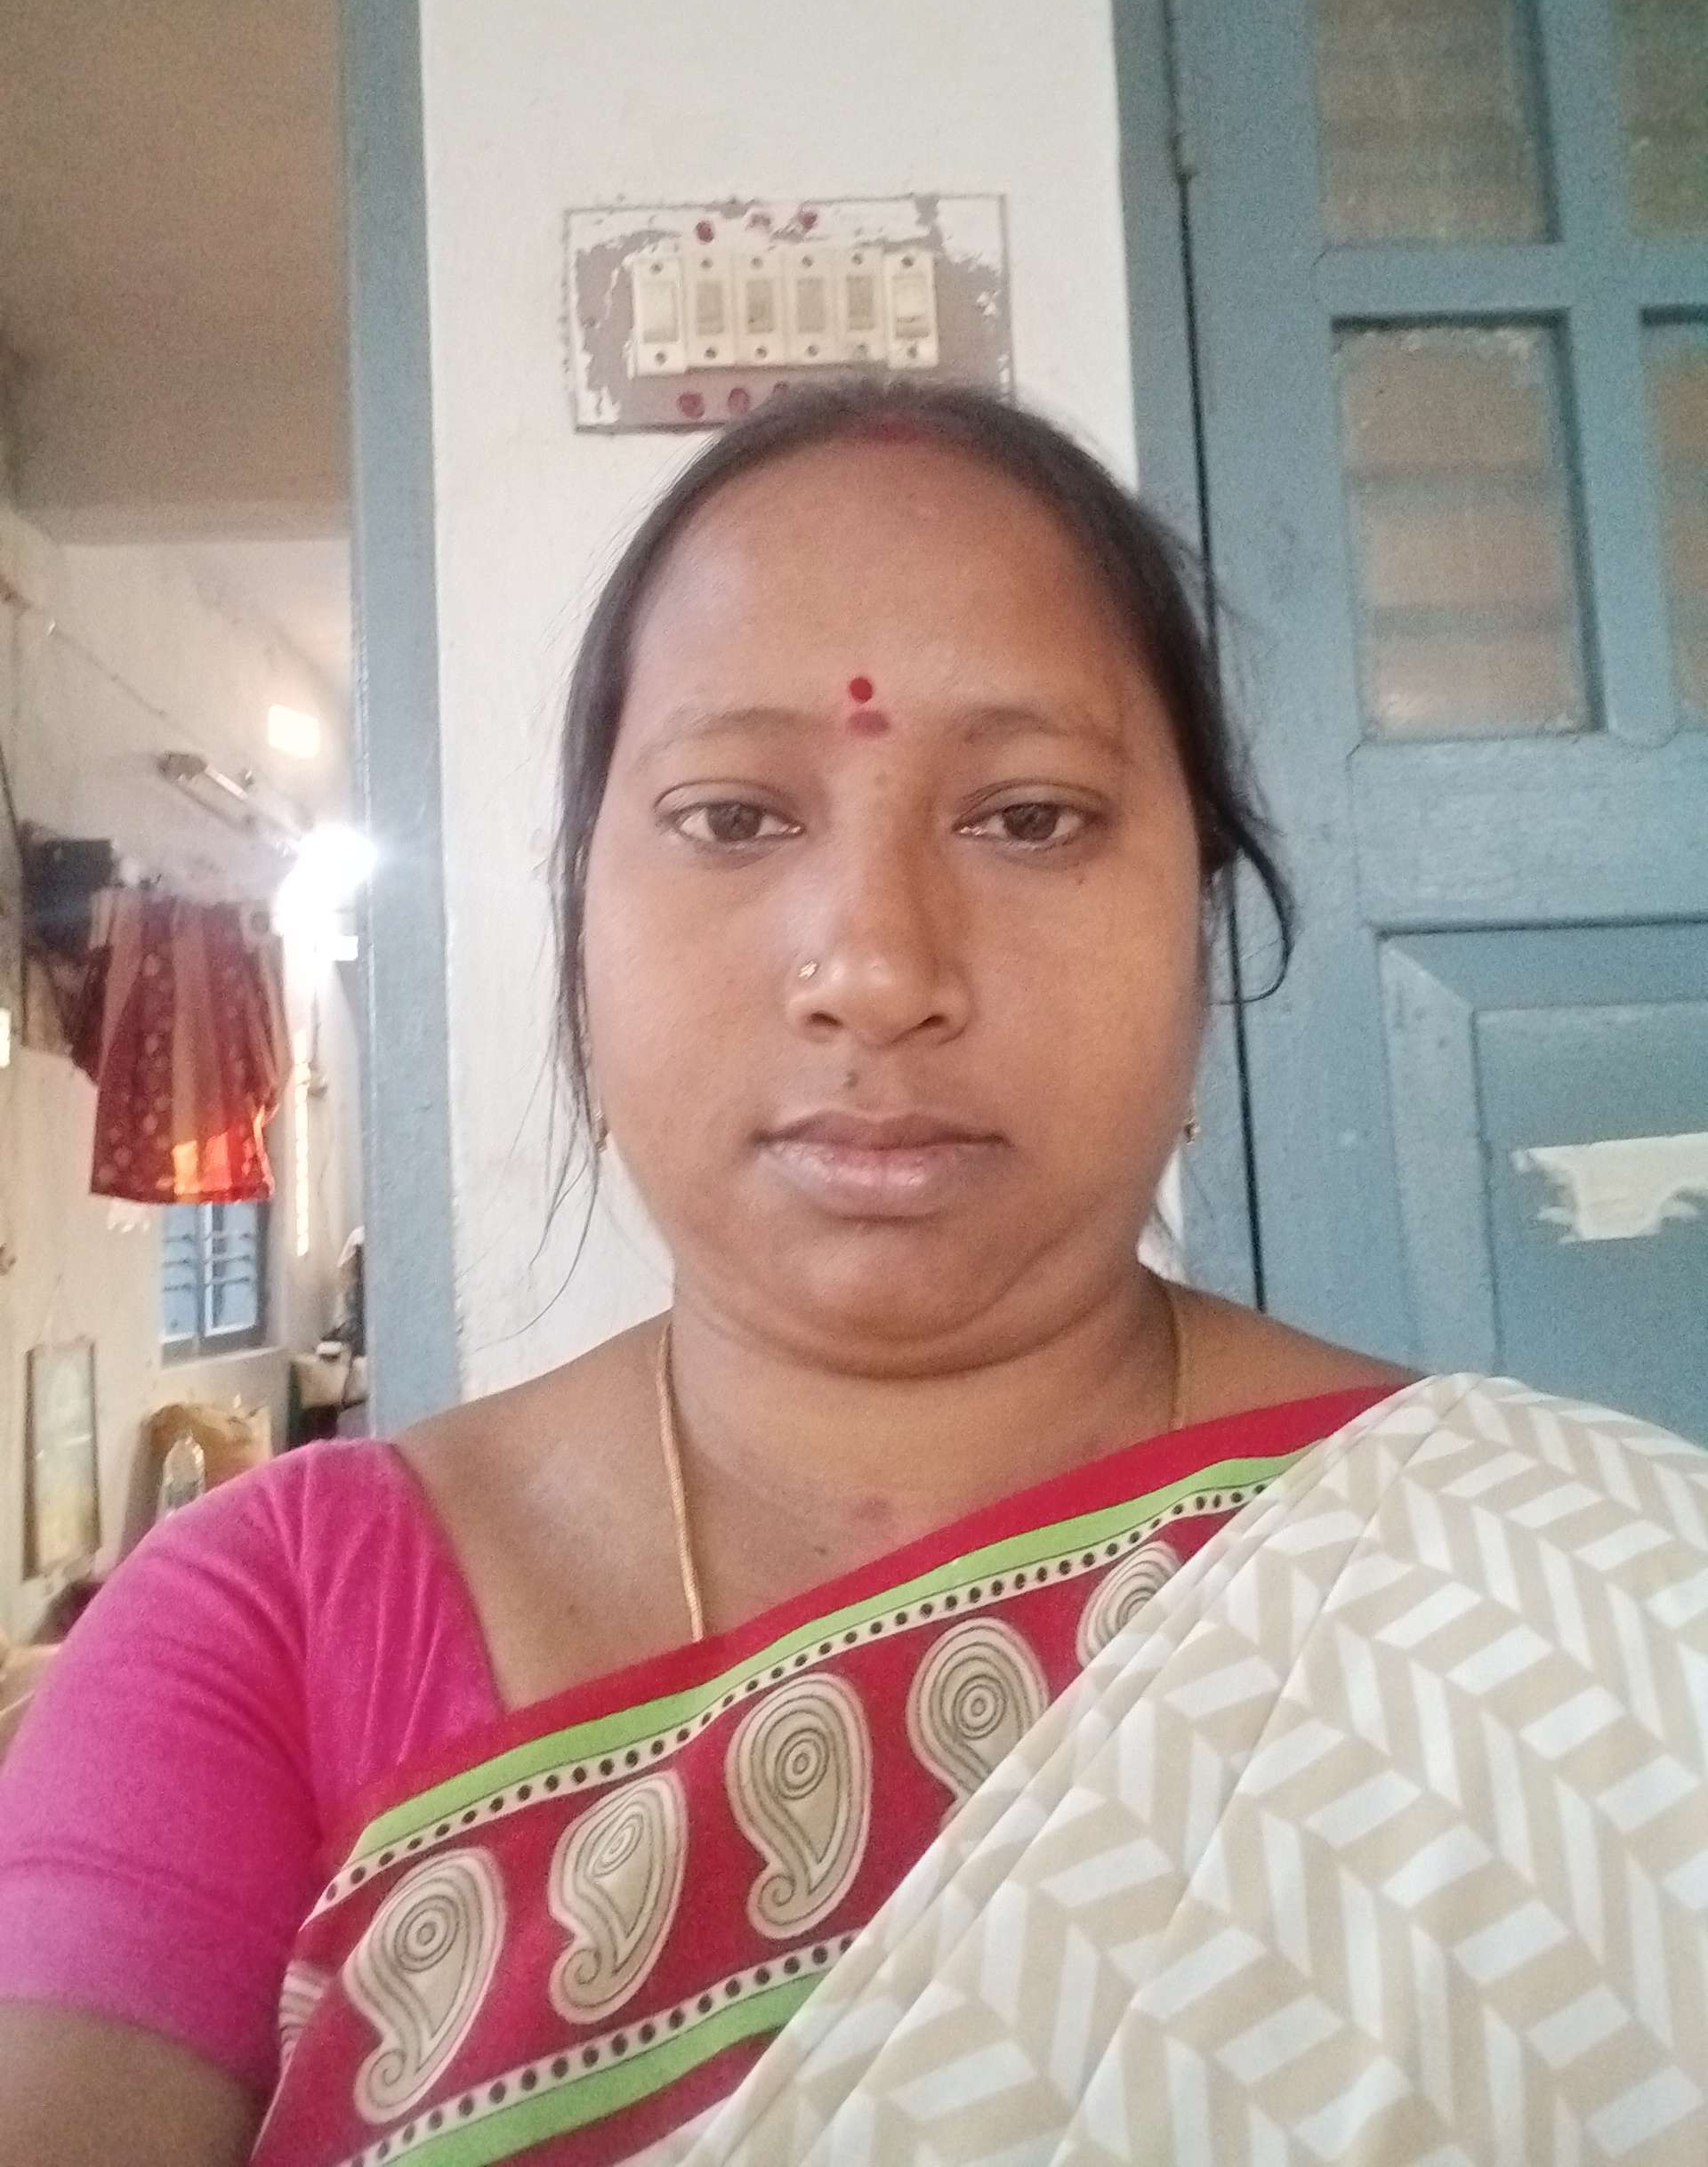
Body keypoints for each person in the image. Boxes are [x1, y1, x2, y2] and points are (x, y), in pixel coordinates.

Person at [2, 383, 1704, 2166]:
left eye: (1032, 817)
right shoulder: (256, 1634)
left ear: (1196, 920)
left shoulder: (1577, 1599)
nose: (878, 969)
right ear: (580, 918)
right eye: (734, 817)